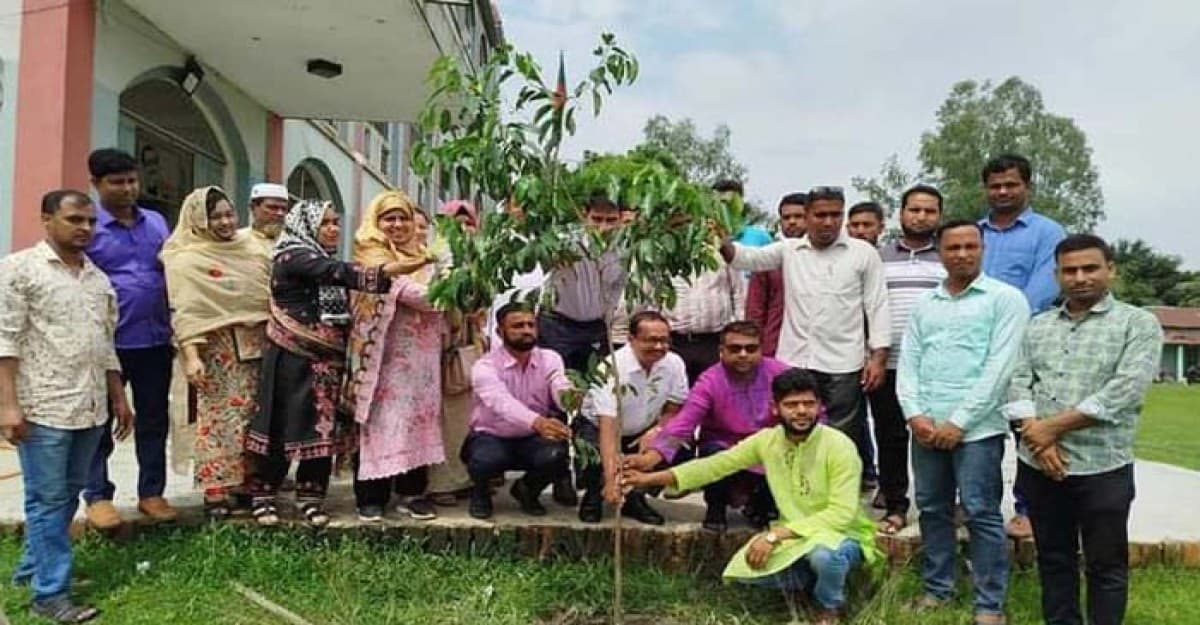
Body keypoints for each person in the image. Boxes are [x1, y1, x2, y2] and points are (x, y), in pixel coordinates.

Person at [623, 369, 879, 625]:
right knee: (746, 574)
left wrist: (773, 536)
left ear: (819, 407)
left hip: (841, 534)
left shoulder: (839, 445)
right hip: (794, 537)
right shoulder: (767, 441)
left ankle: (829, 605)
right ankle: (810, 579)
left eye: (808, 404)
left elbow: (840, 514)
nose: (801, 411)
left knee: (825, 556)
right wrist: (648, 479)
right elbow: (714, 465)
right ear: (775, 408)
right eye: (791, 404)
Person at [1007, 234, 1162, 625]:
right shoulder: (1037, 325)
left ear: (1111, 270)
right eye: (1069, 270)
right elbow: (1018, 382)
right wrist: (1037, 439)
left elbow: (1124, 391)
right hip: (1040, 465)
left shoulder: (1137, 323)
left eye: (1090, 268)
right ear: (1057, 275)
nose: (1079, 277)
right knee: (1054, 559)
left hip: (1102, 466)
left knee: (1106, 564)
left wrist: (1051, 429)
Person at [1, 190, 134, 623]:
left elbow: (106, 343)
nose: (86, 229)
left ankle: (30, 571)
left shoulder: (97, 279)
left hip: (90, 407)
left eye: (91, 222)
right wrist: (8, 406)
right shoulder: (20, 270)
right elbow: (5, 342)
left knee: (64, 498)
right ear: (46, 219)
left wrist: (119, 397)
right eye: (75, 219)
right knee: (45, 499)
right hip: (44, 406)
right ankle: (50, 594)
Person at [246, 200, 411, 527]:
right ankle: (264, 495)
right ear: (306, 226)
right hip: (292, 357)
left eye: (336, 223)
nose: (334, 229)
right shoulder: (292, 256)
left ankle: (311, 496)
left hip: (328, 361)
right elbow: (338, 274)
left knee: (322, 426)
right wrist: (396, 268)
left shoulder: (321, 258)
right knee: (282, 423)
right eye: (326, 224)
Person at [898, 220, 1029, 625]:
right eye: (953, 247)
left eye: (971, 246)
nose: (962, 254)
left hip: (978, 430)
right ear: (940, 251)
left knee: (980, 511)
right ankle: (938, 589)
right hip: (925, 428)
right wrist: (914, 414)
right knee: (933, 509)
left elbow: (1000, 368)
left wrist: (960, 421)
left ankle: (989, 603)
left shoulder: (1005, 300)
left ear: (983, 248)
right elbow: (909, 362)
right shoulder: (926, 304)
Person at [720, 186, 890, 480]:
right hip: (795, 359)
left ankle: (836, 500)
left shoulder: (863, 254)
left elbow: (877, 305)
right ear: (808, 216)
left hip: (843, 364)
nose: (828, 222)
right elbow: (746, 258)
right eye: (820, 215)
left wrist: (878, 356)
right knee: (791, 431)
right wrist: (719, 238)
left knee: (840, 438)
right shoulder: (789, 250)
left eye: (835, 215)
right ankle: (795, 495)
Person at [161, 187, 271, 520]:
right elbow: (186, 310)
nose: (225, 222)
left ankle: (246, 483)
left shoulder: (252, 249)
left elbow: (266, 295)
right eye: (215, 216)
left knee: (252, 416)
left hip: (257, 345)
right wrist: (192, 357)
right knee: (217, 419)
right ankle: (216, 489)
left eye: (229, 214)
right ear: (198, 219)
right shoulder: (185, 257)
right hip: (214, 351)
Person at [82, 148, 177, 528]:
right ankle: (98, 495)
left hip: (155, 340)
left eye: (132, 180)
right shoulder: (89, 227)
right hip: (108, 343)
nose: (127, 189)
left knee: (154, 419)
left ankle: (151, 492)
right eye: (117, 182)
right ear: (96, 184)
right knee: (99, 421)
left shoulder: (155, 221)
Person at [977, 153, 1067, 539]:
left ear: (1027, 186)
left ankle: (1028, 509)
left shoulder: (1047, 232)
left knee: (1026, 428)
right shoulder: (973, 232)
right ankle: (975, 504)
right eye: (995, 185)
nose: (1003, 191)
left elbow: (1042, 288)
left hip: (1026, 345)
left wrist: (1004, 326)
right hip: (974, 346)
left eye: (1011, 184)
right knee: (976, 429)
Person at [628, 320, 792, 531]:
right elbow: (683, 423)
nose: (743, 354)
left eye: (751, 348)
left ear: (761, 349)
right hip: (724, 446)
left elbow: (810, 410)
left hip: (767, 447)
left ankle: (762, 505)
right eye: (735, 349)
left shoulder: (780, 373)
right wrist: (650, 459)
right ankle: (716, 507)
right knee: (712, 453)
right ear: (721, 351)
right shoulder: (710, 380)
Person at [344, 191, 444, 522]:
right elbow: (420, 295)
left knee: (418, 419)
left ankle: (412, 493)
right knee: (380, 421)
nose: (398, 224)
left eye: (403, 218)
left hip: (422, 359)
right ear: (376, 222)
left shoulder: (424, 256)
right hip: (381, 358)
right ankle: (371, 496)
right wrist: (448, 288)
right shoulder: (371, 256)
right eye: (389, 218)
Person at [537, 194, 627, 505]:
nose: (603, 226)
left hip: (595, 327)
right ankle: (558, 473)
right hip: (557, 325)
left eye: (610, 220)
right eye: (597, 219)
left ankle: (587, 471)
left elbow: (617, 288)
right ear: (584, 216)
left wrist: (605, 318)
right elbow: (539, 248)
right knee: (556, 399)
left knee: (593, 400)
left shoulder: (625, 248)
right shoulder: (566, 242)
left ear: (621, 218)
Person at [869, 184, 945, 534]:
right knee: (890, 437)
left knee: (932, 437)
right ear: (901, 214)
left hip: (935, 367)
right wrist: (874, 355)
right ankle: (896, 504)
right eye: (915, 209)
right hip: (888, 362)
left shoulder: (949, 256)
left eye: (929, 211)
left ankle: (938, 506)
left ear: (939, 216)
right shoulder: (878, 257)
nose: (921, 216)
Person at [463, 303, 576, 519]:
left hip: (532, 437)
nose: (526, 330)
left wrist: (572, 399)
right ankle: (480, 493)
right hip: (492, 436)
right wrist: (538, 422)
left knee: (556, 455)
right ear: (499, 331)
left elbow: (559, 385)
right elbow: (501, 402)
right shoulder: (484, 366)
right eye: (517, 326)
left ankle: (527, 491)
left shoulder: (550, 358)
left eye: (530, 325)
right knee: (484, 460)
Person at [577, 311, 687, 525]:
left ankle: (635, 498)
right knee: (594, 456)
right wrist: (610, 480)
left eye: (664, 340)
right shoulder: (612, 369)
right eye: (651, 340)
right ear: (631, 339)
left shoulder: (674, 363)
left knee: (677, 448)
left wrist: (656, 432)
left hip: (644, 428)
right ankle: (594, 494)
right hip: (600, 429)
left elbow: (673, 409)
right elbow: (607, 428)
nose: (659, 347)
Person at [428, 200, 485, 506]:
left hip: (467, 341)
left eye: (468, 222)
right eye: (456, 222)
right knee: (441, 415)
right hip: (441, 343)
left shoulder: (475, 255)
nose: (462, 229)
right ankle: (439, 483)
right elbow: (437, 295)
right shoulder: (437, 252)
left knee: (464, 414)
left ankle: (461, 477)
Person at [664, 242, 746, 385]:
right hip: (675, 342)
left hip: (714, 341)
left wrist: (739, 335)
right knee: (675, 396)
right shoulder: (664, 253)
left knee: (716, 392)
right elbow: (650, 299)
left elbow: (739, 294)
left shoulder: (721, 251)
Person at [746, 192, 806, 358]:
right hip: (775, 347)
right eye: (786, 218)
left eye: (798, 216)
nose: (792, 222)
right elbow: (755, 310)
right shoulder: (768, 259)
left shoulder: (828, 259)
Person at [713, 179, 773, 248]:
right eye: (719, 203)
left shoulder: (761, 237)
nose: (723, 208)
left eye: (729, 204)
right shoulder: (705, 239)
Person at [242, 182, 290, 250]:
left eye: (284, 209)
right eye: (273, 207)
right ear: (253, 208)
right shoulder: (238, 241)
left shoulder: (292, 245)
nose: (280, 213)